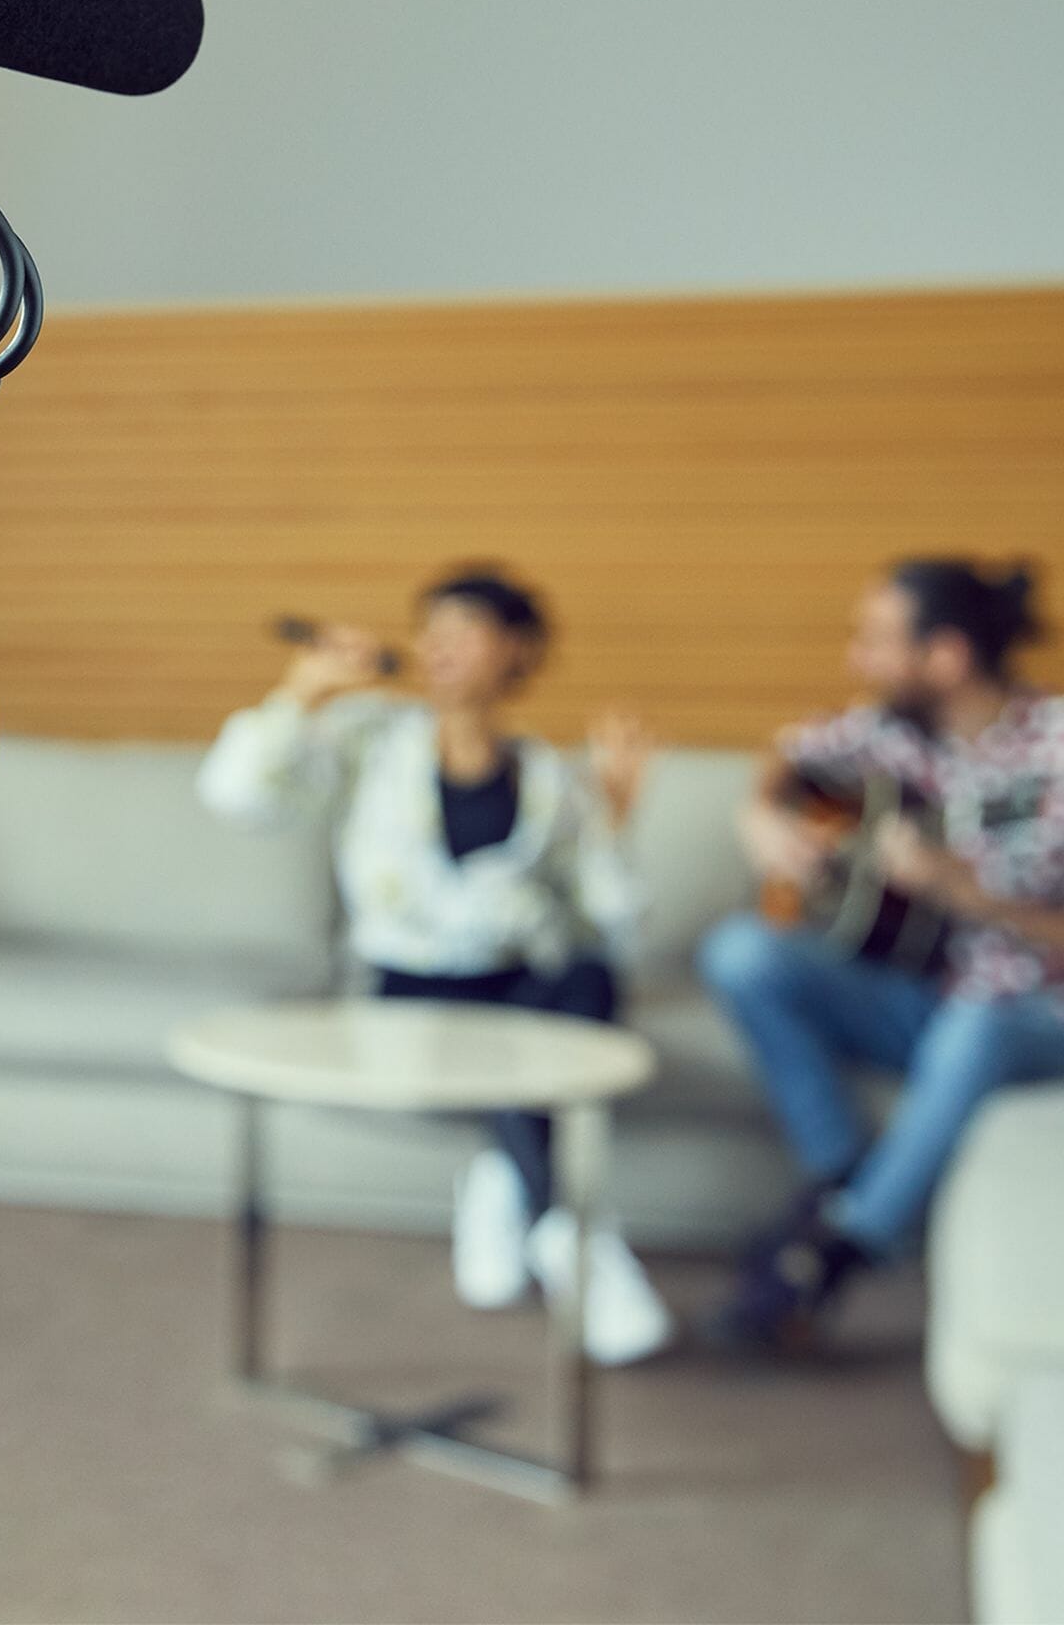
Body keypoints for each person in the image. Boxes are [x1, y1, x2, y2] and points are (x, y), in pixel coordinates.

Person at [197, 566, 673, 1365]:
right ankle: (570, 1232)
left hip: (512, 989)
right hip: (404, 987)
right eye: (429, 631)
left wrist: (617, 822)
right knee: (527, 1050)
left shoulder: (552, 782)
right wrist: (304, 691)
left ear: (516, 651)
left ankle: (509, 1181)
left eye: (464, 630)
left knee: (588, 979)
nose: (438, 647)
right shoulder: (368, 743)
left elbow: (612, 928)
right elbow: (237, 795)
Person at [701, 558, 1064, 1352]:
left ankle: (842, 1247)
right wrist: (760, 817)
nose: (856, 660)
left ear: (947, 656)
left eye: (874, 641)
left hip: (1031, 1014)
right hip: (924, 999)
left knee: (980, 1024)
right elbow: (788, 755)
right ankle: (838, 1171)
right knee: (741, 952)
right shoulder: (889, 732)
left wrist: (974, 897)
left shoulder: (1055, 749)